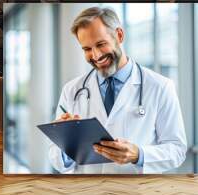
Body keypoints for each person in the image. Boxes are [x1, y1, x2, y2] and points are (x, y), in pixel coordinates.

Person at [49, 7, 187, 174]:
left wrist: (139, 154)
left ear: (119, 35)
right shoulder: (72, 90)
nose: (96, 55)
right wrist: (66, 142)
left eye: (101, 44)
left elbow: (177, 150)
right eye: (87, 49)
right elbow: (55, 157)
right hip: (87, 193)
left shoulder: (160, 86)